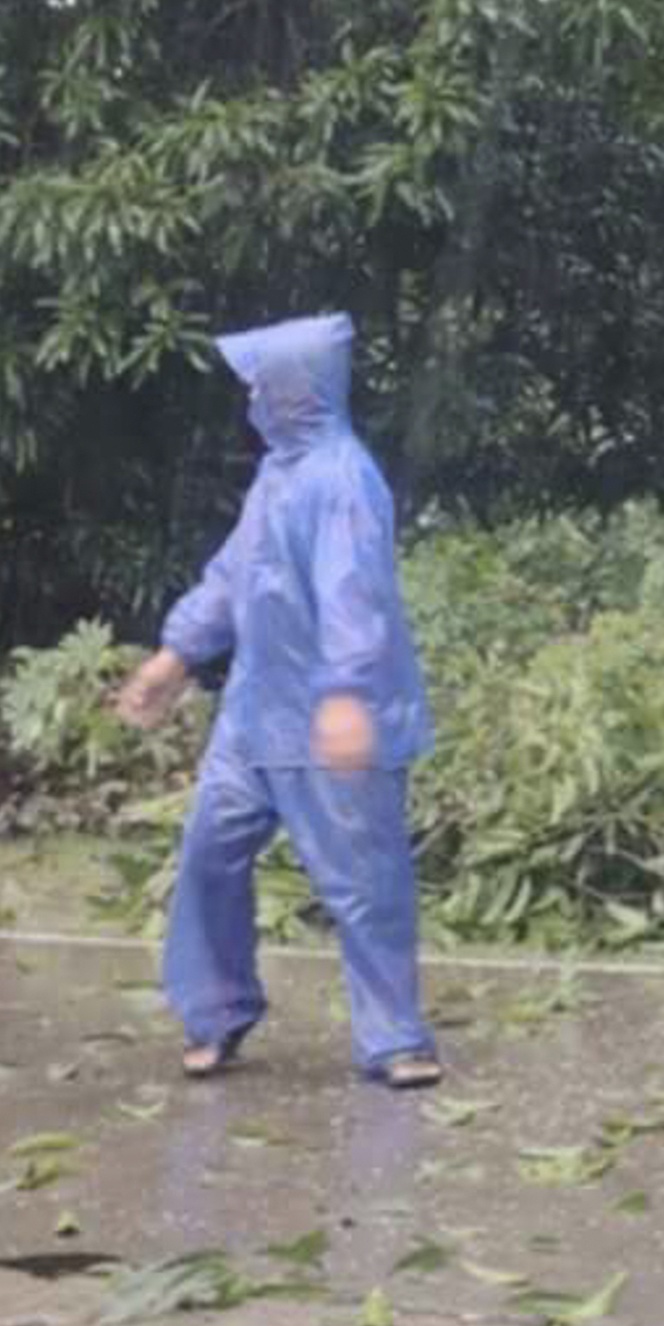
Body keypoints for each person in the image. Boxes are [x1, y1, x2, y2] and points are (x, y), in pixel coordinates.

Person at [110, 313, 442, 1089]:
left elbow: (355, 596)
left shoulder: (343, 480)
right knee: (209, 856)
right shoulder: (278, 475)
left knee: (365, 883)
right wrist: (175, 657)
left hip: (330, 716)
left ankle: (395, 1038)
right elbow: (233, 575)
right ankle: (216, 1012)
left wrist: (348, 697)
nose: (251, 396)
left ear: (296, 390)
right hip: (256, 714)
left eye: (262, 382)